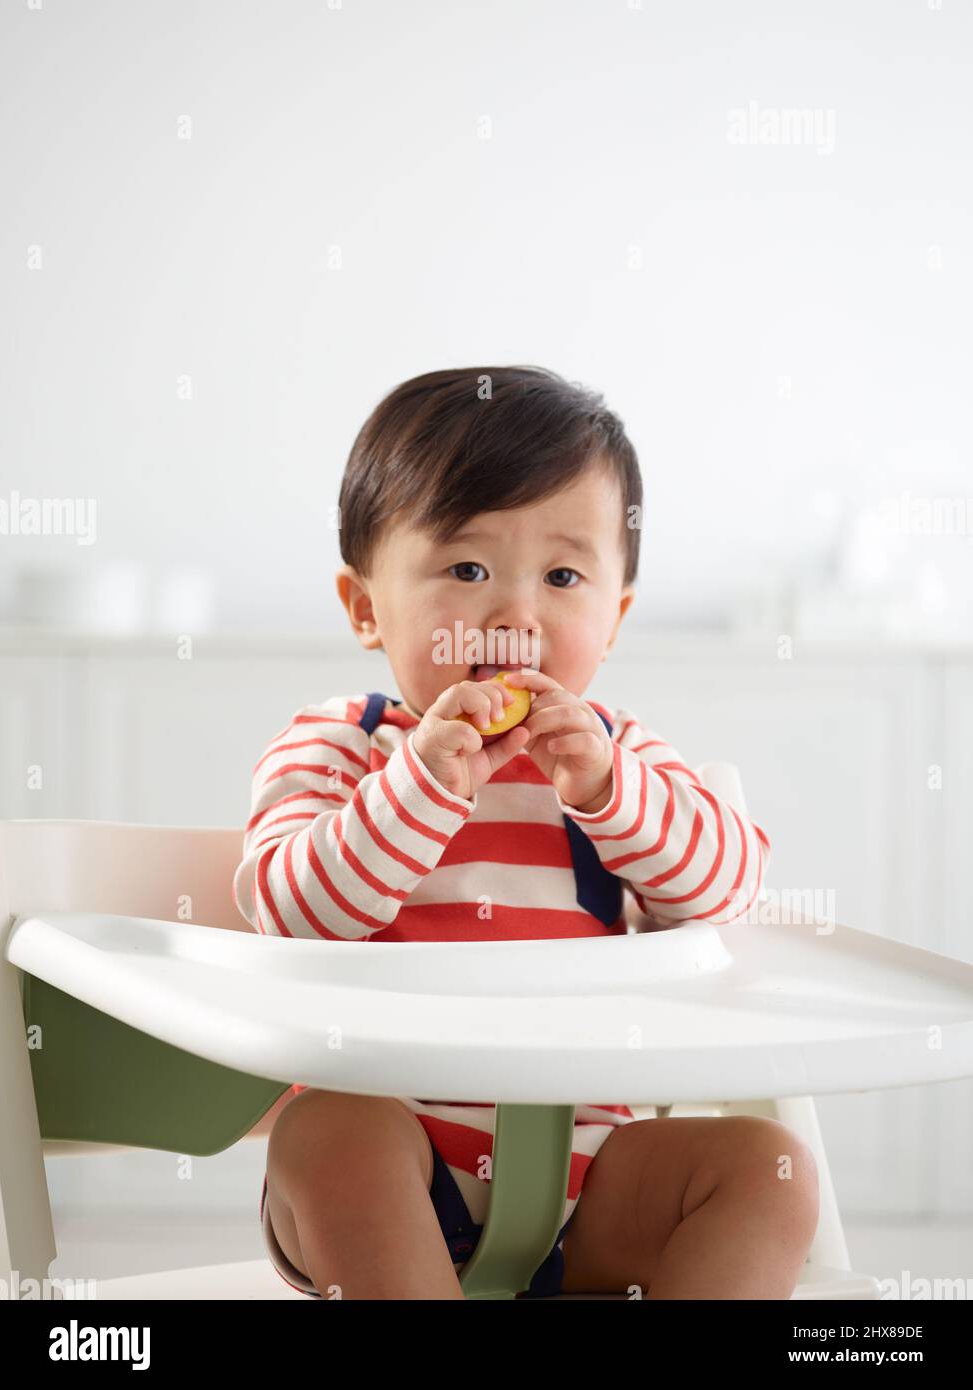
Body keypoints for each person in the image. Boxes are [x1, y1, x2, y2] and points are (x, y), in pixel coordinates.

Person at [233, 365, 819, 1299]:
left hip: (592, 1183)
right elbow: (290, 914)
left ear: (615, 614)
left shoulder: (618, 756)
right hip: (395, 1174)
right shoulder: (341, 744)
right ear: (364, 606)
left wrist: (608, 790)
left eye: (563, 575)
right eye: (467, 569)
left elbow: (728, 894)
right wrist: (420, 787)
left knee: (768, 1171)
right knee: (327, 1131)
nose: (517, 614)